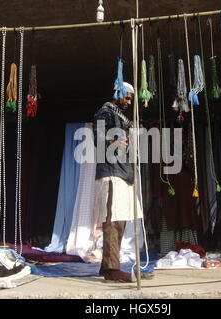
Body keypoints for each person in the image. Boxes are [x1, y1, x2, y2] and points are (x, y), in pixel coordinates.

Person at [93, 82, 143, 282]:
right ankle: (111, 269)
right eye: (127, 97)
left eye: (131, 98)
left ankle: (110, 267)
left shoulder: (122, 115)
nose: (129, 102)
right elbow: (97, 137)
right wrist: (113, 142)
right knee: (113, 221)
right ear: (118, 92)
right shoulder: (105, 111)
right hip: (112, 172)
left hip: (123, 172)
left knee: (120, 220)